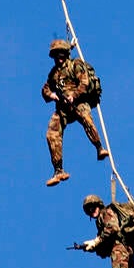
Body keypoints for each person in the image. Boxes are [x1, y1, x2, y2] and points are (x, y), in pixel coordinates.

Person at [42, 40, 108, 186]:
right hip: (63, 108)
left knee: (86, 119)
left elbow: (84, 83)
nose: (58, 59)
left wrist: (74, 96)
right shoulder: (53, 74)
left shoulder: (75, 65)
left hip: (78, 102)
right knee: (52, 132)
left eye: (60, 55)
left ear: (65, 54)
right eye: (55, 56)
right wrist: (52, 95)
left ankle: (99, 147)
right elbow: (45, 89)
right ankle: (58, 170)